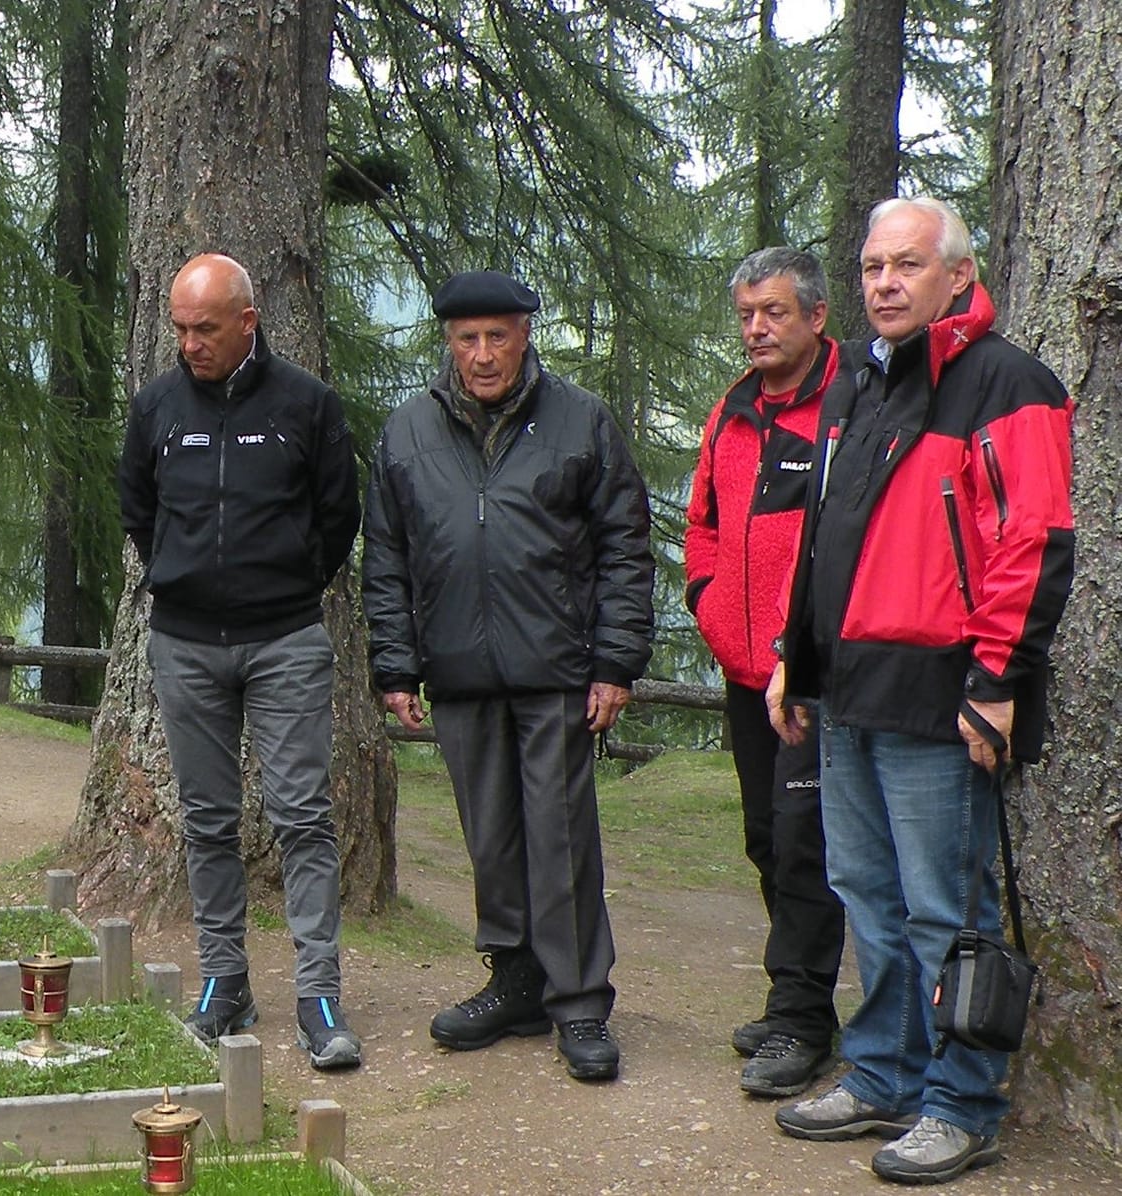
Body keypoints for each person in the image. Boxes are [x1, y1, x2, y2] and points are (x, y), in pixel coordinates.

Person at [767, 198, 1074, 1183]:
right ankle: (886, 1071)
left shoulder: (1007, 382)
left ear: (956, 273)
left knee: (948, 907)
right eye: (871, 267)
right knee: (868, 893)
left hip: (946, 692)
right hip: (850, 683)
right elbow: (828, 532)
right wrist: (795, 656)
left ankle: (963, 1101)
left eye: (906, 265)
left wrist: (998, 679)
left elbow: (1037, 539)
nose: (885, 284)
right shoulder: (858, 380)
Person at [362, 269, 655, 1082]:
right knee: (489, 835)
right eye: (467, 339)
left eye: (498, 336)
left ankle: (581, 1000)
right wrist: (395, 664)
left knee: (559, 836)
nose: (484, 354)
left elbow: (626, 549)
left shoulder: (579, 421)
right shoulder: (409, 430)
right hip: (458, 668)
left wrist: (615, 663)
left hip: (557, 667)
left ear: (526, 334)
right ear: (448, 343)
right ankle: (515, 980)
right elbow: (385, 558)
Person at [118, 253, 363, 1071]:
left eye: (206, 328)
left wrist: (282, 584)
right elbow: (138, 513)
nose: (191, 344)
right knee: (208, 820)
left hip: (286, 640)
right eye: (180, 329)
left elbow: (337, 517)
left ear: (247, 321)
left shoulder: (306, 405)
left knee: (302, 818)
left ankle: (319, 996)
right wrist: (188, 585)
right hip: (185, 643)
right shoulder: (156, 407)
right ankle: (225, 982)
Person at [684, 247, 846, 1098]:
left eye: (774, 312)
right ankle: (797, 995)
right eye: (748, 314)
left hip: (811, 676)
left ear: (817, 317)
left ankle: (801, 1016)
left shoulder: (848, 405)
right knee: (762, 834)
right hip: (744, 668)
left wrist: (800, 645)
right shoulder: (732, 412)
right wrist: (710, 604)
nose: (757, 328)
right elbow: (702, 523)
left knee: (803, 843)